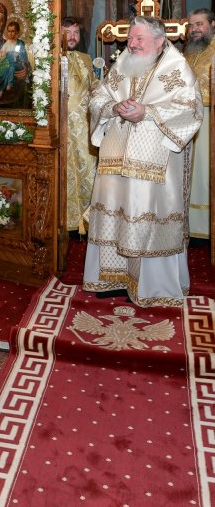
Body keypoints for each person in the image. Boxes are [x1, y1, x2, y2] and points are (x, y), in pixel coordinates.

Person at [84, 16, 203, 307]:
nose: (132, 44)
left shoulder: (176, 68)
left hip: (153, 164)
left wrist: (146, 112)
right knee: (114, 213)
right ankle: (113, 278)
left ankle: (152, 285)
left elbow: (191, 108)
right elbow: (97, 97)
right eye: (130, 38)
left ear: (160, 41)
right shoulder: (122, 65)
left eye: (139, 39)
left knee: (143, 215)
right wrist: (113, 106)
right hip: (115, 159)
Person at [61, 16, 96, 234]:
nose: (72, 37)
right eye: (67, 32)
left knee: (89, 170)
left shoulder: (86, 58)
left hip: (84, 128)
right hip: (62, 128)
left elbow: (93, 86)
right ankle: (65, 220)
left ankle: (88, 221)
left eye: (76, 32)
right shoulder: (48, 59)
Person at [184, 8, 215, 239]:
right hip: (188, 121)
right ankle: (192, 227)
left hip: (210, 119)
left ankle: (206, 227)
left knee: (205, 173)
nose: (194, 29)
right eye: (191, 25)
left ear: (212, 25)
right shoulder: (188, 53)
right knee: (190, 174)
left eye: (199, 24)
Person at [0, 19, 31, 102]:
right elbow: (2, 55)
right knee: (3, 69)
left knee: (11, 67)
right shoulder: (6, 43)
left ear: (17, 32)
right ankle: (2, 89)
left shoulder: (19, 43)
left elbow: (22, 55)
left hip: (17, 63)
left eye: (13, 31)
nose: (10, 33)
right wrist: (0, 55)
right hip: (7, 62)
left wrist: (24, 66)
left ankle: (9, 84)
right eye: (9, 31)